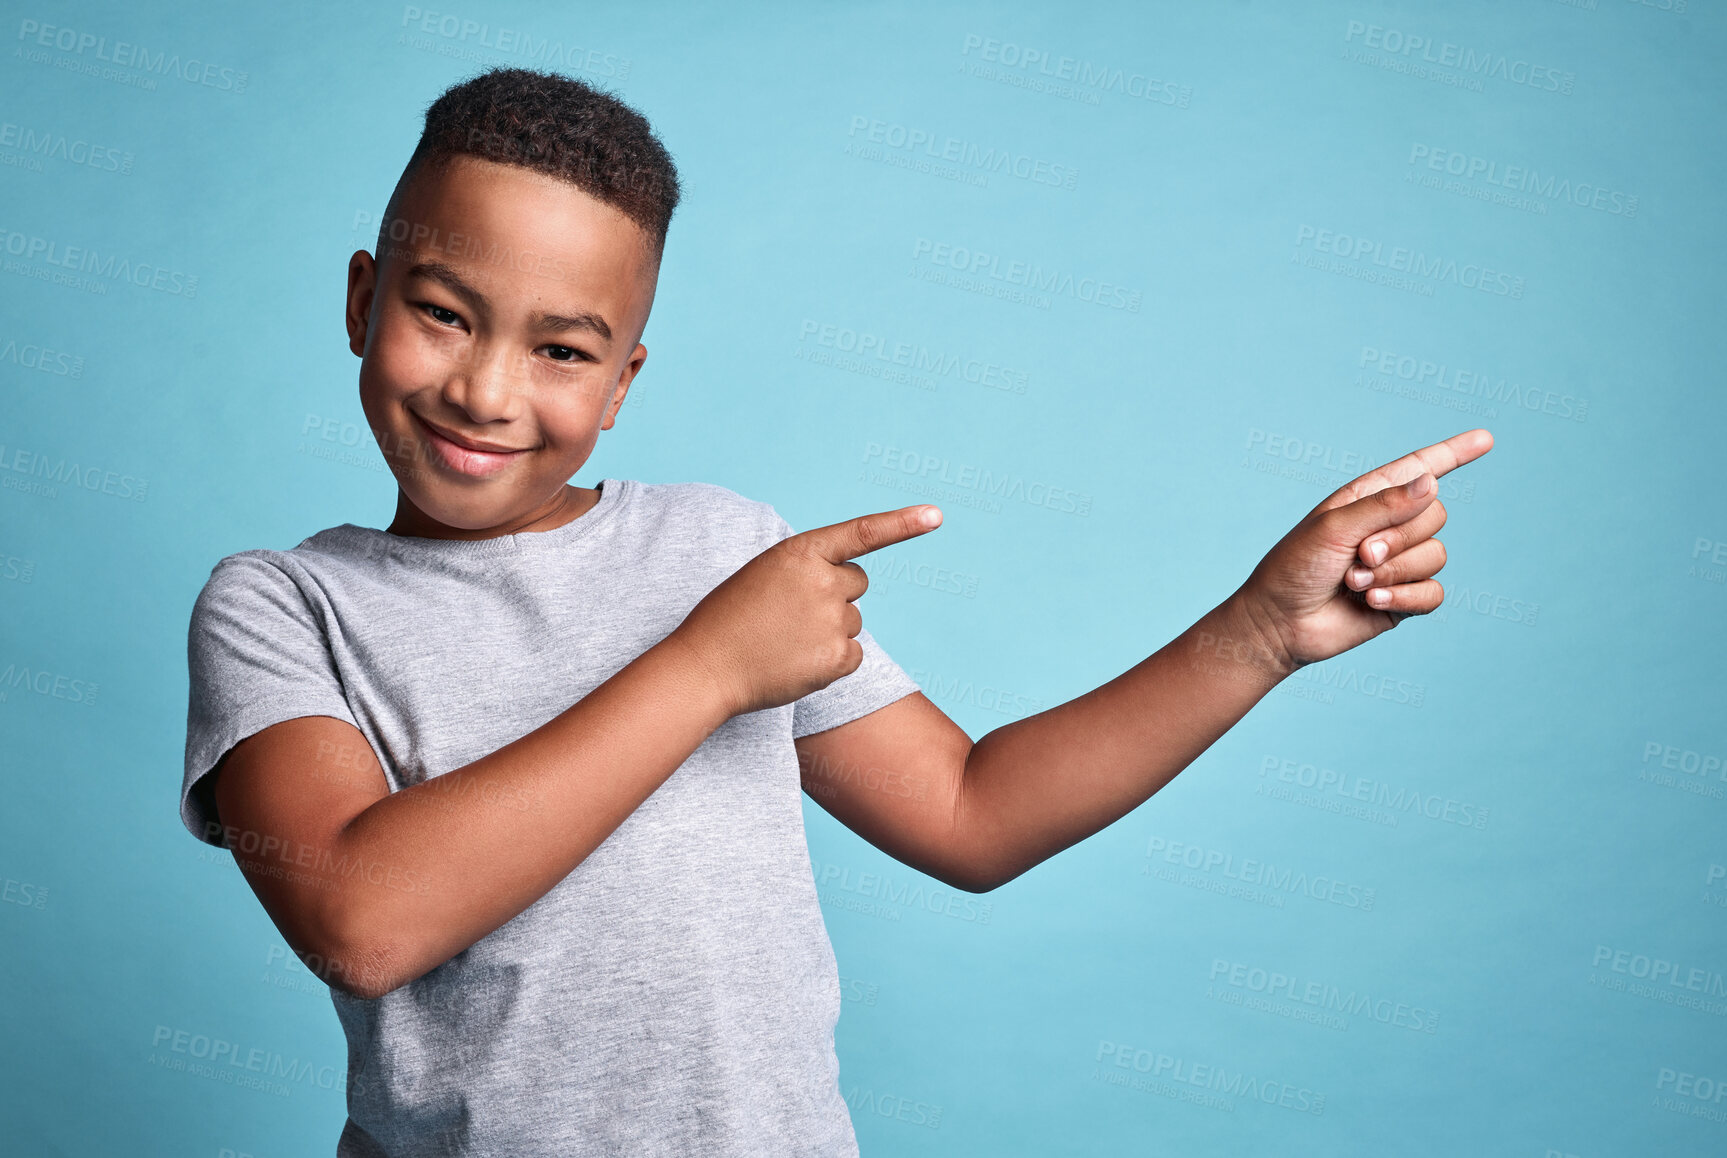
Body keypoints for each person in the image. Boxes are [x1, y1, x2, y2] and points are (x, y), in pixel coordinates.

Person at [179, 65, 1493, 1156]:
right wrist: (707, 668)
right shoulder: (283, 605)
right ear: (363, 300)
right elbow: (364, 916)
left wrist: (1260, 631)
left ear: (624, 380)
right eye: (443, 314)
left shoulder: (722, 552)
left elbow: (976, 812)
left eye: (561, 349)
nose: (487, 389)